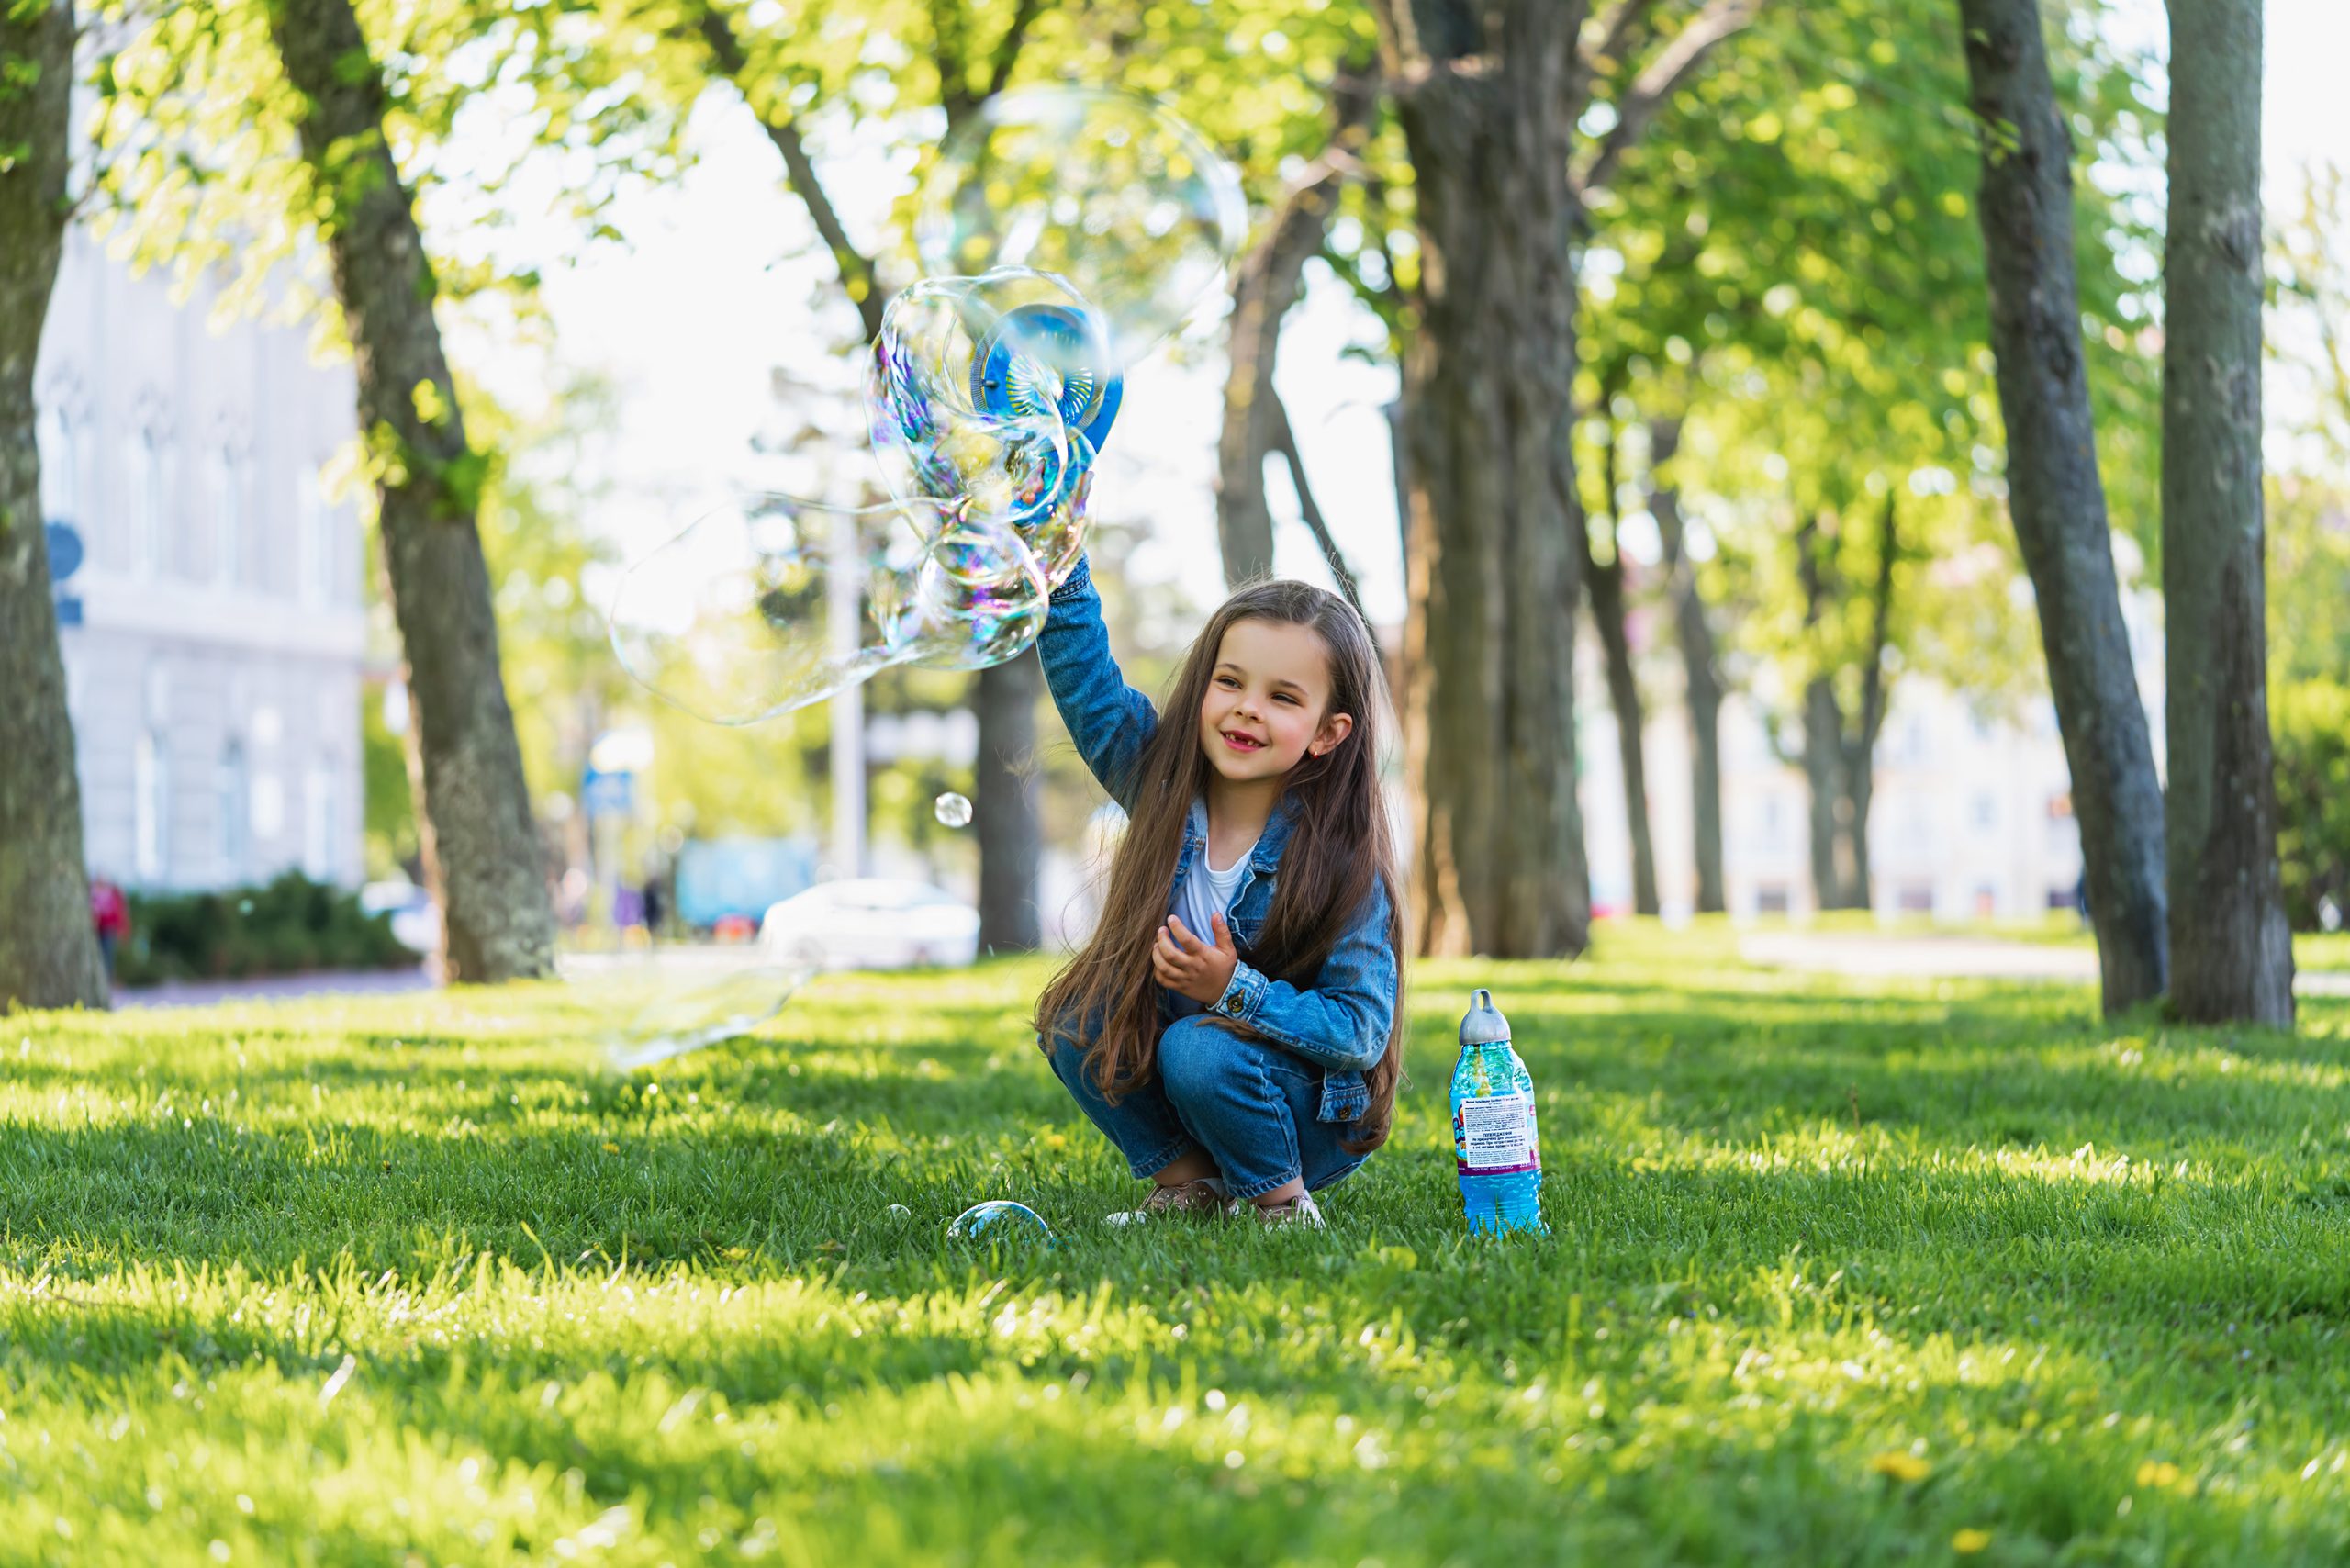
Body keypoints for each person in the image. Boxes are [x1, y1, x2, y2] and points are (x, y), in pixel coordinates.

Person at [1033, 554, 1404, 1228]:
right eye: (1229, 682)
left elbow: (1359, 1031)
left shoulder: (1344, 862)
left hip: (1302, 1108)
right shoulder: (1159, 784)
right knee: (1075, 1012)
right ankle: (1190, 1187)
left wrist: (1233, 988)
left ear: (1328, 732)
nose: (1246, 709)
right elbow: (1085, 679)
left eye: (1283, 697)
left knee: (1197, 1047)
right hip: (1192, 1071)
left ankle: (1282, 1203)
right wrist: (1059, 556)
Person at [90, 875, 129, 980]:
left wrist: (121, 928)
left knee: (107, 955)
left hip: (108, 929)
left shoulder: (111, 894)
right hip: (97, 929)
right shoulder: (93, 892)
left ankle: (107, 978)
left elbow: (118, 912)